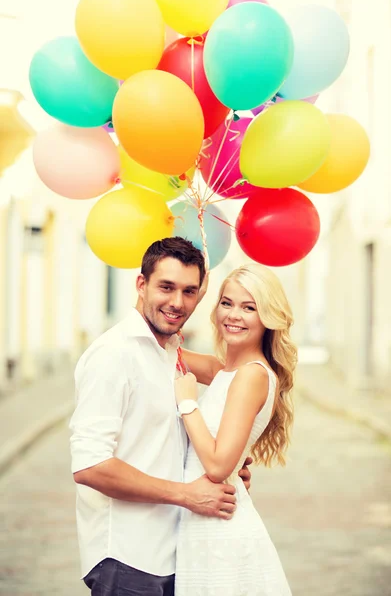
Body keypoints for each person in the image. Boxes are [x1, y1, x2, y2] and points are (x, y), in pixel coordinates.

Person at [69, 237, 252, 596]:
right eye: (166, 287)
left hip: (175, 552)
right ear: (141, 284)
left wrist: (220, 471)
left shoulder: (169, 350)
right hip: (127, 557)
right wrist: (187, 494)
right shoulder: (113, 355)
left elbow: (165, 440)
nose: (177, 302)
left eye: (189, 291)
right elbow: (90, 465)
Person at [174, 263, 297, 595]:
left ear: (268, 317)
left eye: (249, 307)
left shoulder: (252, 375)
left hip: (221, 533)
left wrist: (188, 404)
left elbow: (218, 466)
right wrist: (190, 297)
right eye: (226, 303)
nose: (234, 315)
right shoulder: (227, 371)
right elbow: (167, 349)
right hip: (202, 523)